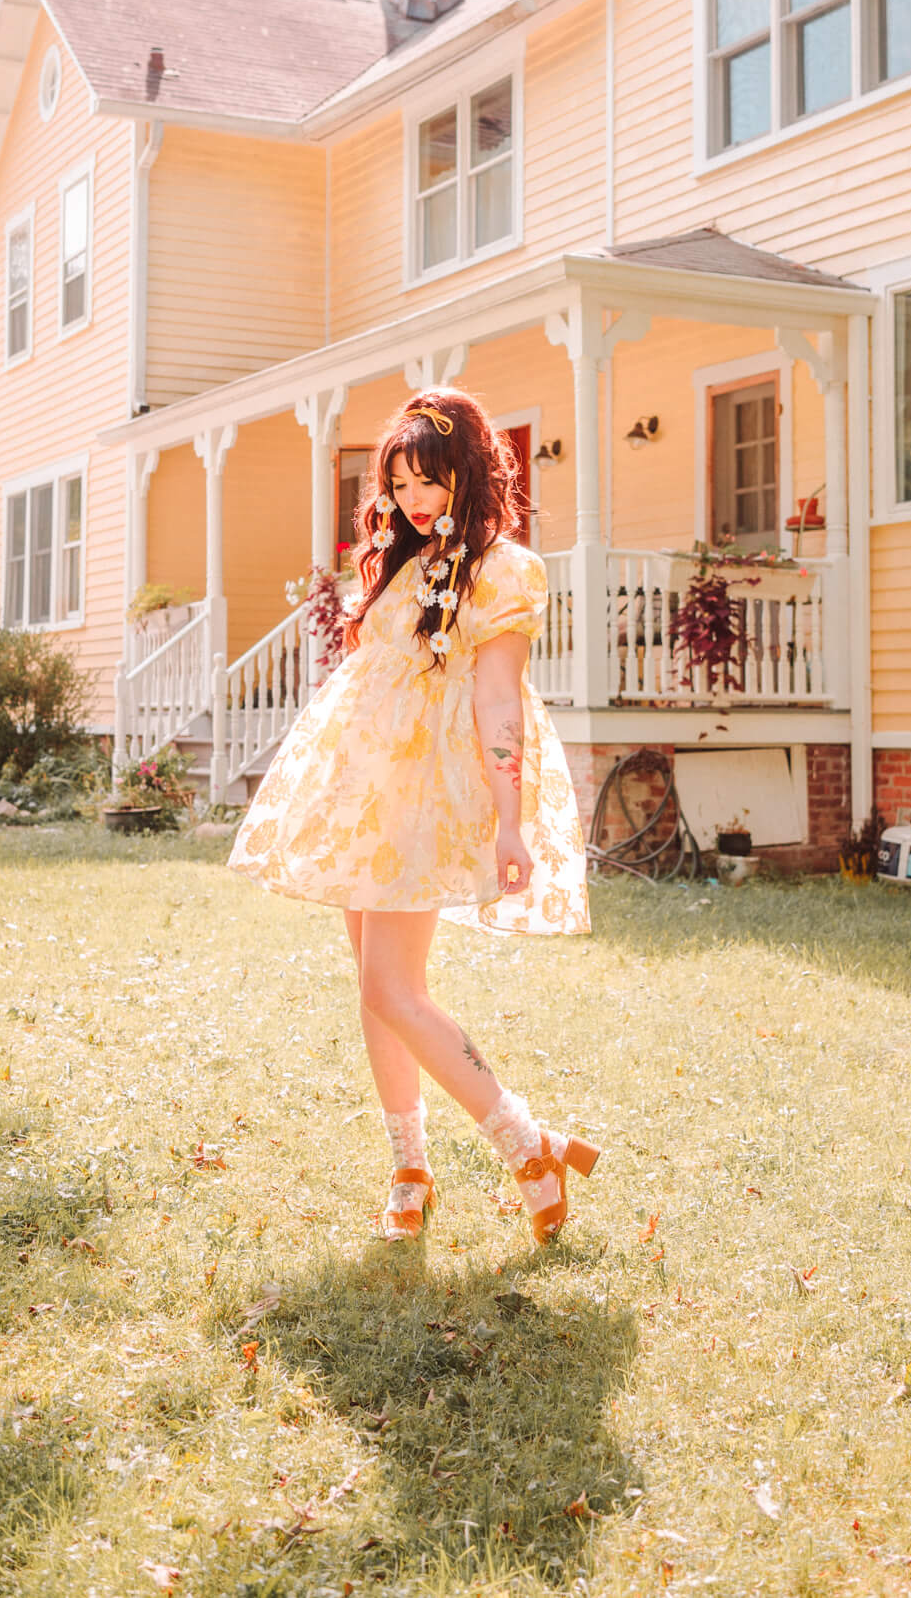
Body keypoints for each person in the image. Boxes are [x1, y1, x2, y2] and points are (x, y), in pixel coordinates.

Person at [229, 388, 597, 1245]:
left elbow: (498, 697)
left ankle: (526, 1144)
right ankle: (409, 1168)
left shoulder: (504, 569)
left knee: (395, 986)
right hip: (367, 790)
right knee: (375, 988)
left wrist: (511, 819)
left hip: (429, 794)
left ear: (468, 472)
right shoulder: (400, 558)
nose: (414, 500)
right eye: (400, 485)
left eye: (429, 481)